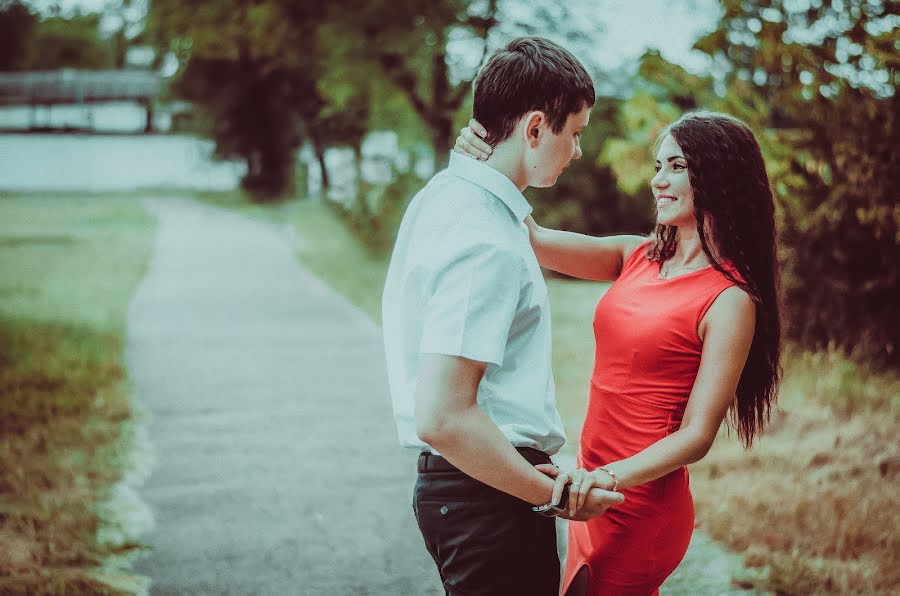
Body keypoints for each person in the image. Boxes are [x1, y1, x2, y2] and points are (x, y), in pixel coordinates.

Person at [454, 110, 782, 595]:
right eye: (657, 167)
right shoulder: (638, 256)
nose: (657, 181)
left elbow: (697, 435)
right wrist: (480, 167)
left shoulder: (730, 299)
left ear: (717, 175)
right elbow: (535, 240)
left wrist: (603, 478)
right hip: (592, 490)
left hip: (638, 502)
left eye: (676, 167)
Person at [381, 37, 624, 596]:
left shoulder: (450, 195)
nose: (579, 151)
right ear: (536, 129)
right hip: (488, 490)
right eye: (576, 132)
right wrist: (555, 496)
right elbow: (443, 416)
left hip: (477, 485)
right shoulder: (485, 240)